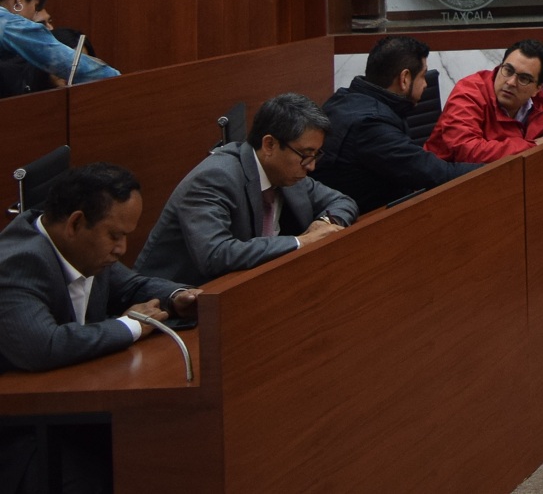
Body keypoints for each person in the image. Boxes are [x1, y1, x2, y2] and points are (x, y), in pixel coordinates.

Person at [135, 93, 358, 287]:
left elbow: (343, 202)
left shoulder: (289, 173)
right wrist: (302, 242)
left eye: (316, 155)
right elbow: (215, 254)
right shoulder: (215, 178)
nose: (311, 166)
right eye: (306, 154)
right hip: (172, 302)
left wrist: (324, 224)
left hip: (246, 287)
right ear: (269, 145)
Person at [0, 163, 196, 374]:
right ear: (75, 223)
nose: (122, 249)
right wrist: (131, 325)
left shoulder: (85, 251)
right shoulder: (16, 264)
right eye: (114, 236)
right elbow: (44, 347)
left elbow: (131, 287)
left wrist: (177, 297)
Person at [318, 36, 479, 212]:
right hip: (365, 222)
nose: (426, 84)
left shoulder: (343, 98)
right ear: (404, 79)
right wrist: (497, 169)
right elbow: (436, 174)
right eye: (423, 76)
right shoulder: (371, 126)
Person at [427, 40, 543, 162]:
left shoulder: (540, 100)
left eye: (524, 79)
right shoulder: (469, 92)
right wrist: (534, 147)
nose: (511, 82)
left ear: (538, 88)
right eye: (508, 70)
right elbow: (468, 152)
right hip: (450, 180)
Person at [0, 0, 120, 86]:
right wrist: (119, 80)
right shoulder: (8, 23)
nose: (32, 16)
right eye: (35, 7)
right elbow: (61, 60)